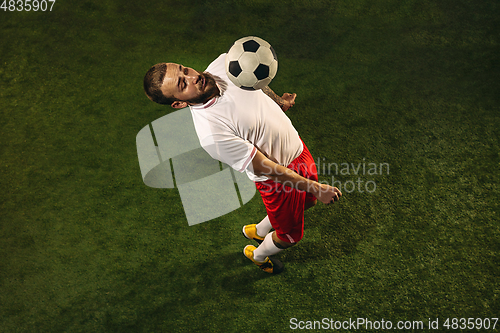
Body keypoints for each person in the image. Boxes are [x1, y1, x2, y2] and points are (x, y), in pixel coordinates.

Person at [143, 53, 342, 274]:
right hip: (279, 180)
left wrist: (279, 101)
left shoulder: (225, 65)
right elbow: (268, 169)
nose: (192, 76)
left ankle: (258, 230)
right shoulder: (212, 134)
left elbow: (254, 85)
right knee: (290, 236)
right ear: (179, 103)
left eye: (184, 69)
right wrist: (316, 186)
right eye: (182, 83)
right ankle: (258, 255)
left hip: (298, 150)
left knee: (308, 203)